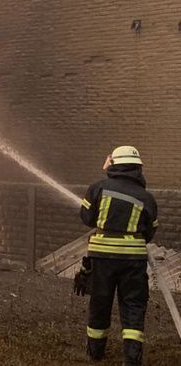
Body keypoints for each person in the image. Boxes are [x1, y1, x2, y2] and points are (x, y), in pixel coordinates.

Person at [77, 146, 158, 365]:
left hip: (101, 257)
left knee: (100, 303)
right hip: (133, 260)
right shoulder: (146, 198)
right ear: (138, 168)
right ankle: (132, 358)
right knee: (133, 305)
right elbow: (149, 232)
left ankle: (95, 353)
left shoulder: (99, 188)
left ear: (112, 164)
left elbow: (86, 217)